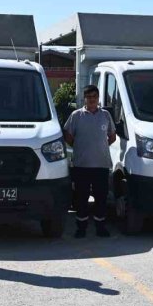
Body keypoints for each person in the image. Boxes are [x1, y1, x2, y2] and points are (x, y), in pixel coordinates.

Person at [63, 84, 117, 238]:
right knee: (81, 198)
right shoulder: (76, 116)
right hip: (81, 165)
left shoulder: (105, 115)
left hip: (101, 165)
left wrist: (99, 147)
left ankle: (101, 227)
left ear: (98, 98)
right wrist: (81, 147)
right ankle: (81, 228)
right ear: (84, 98)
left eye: (95, 97)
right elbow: (68, 136)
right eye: (89, 97)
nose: (92, 99)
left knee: (101, 198)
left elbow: (112, 137)